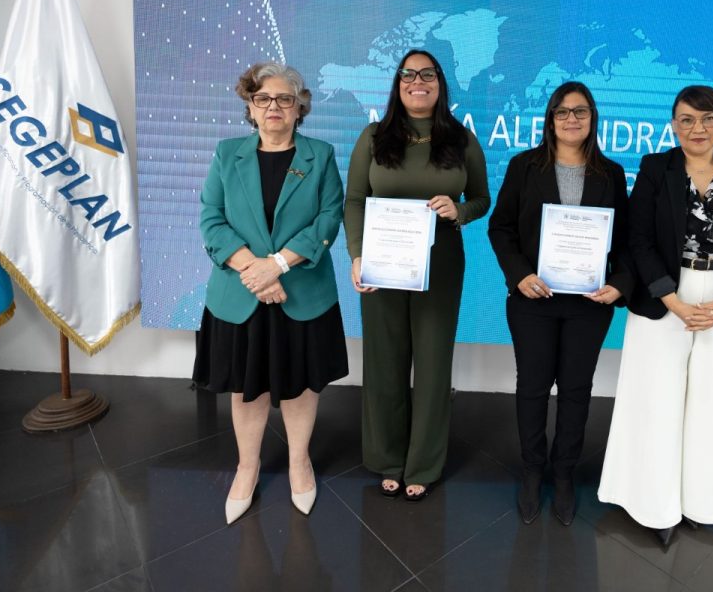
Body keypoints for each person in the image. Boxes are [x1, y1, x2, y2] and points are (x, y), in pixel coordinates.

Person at [597, 85, 713, 545]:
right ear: (674, 125)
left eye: (708, 118)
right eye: (687, 119)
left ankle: (707, 503)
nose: (698, 128)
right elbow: (637, 240)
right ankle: (655, 507)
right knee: (655, 402)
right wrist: (670, 299)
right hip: (663, 298)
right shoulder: (656, 168)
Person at [194, 62, 348, 524]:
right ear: (250, 106)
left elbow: (329, 218)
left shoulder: (320, 155)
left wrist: (277, 266)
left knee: (300, 384)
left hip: (302, 292)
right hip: (240, 295)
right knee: (246, 387)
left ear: (300, 107)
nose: (273, 106)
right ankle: (247, 467)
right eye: (262, 99)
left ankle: (300, 462)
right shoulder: (227, 154)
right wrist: (255, 272)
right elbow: (211, 218)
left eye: (284, 99)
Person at [345, 49, 490, 501]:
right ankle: (387, 458)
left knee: (432, 364)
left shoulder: (461, 139)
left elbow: (482, 199)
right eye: (408, 74)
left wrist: (459, 211)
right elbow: (355, 200)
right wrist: (356, 255)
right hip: (382, 263)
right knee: (384, 361)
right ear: (398, 84)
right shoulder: (374, 136)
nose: (417, 81)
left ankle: (423, 463)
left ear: (440, 83)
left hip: (440, 262)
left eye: (427, 74)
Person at [488, 81, 632, 526]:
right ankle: (533, 470)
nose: (572, 119)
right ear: (550, 119)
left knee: (575, 390)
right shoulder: (524, 166)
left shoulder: (612, 173)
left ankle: (564, 472)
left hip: (589, 303)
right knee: (532, 388)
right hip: (534, 299)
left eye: (580, 111)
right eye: (562, 112)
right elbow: (501, 228)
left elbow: (627, 240)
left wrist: (619, 284)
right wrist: (520, 275)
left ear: (593, 118)